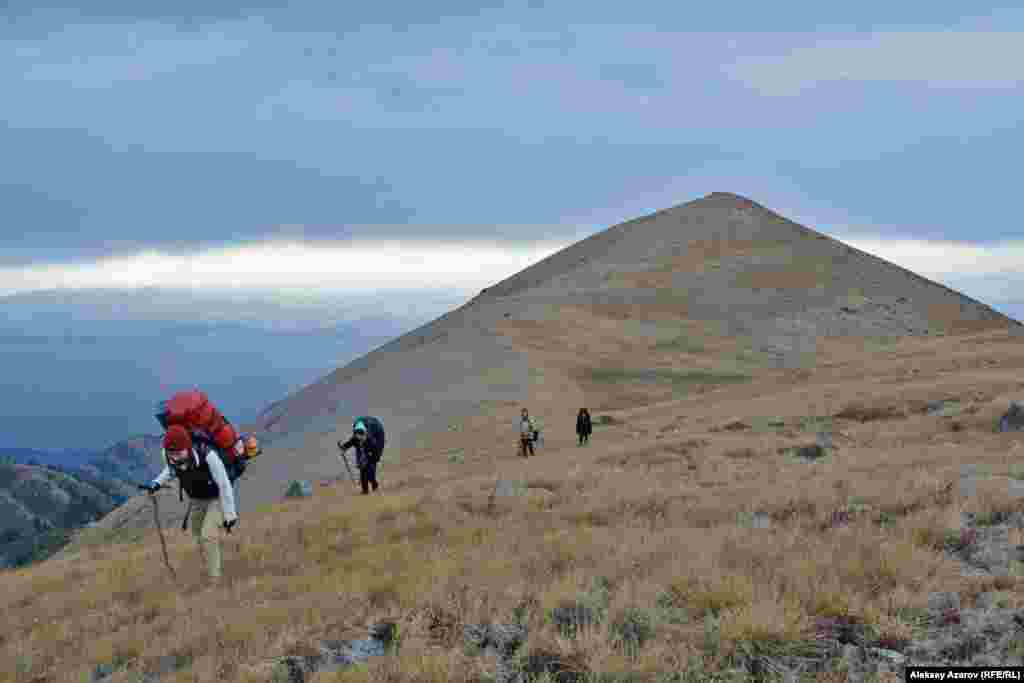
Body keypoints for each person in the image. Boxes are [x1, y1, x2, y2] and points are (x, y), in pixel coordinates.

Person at [140, 424, 238, 583]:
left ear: (188, 447)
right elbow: (171, 469)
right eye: (171, 453)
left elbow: (224, 483)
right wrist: (156, 483)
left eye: (178, 453)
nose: (175, 457)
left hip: (217, 499)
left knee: (208, 536)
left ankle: (215, 581)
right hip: (197, 499)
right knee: (198, 534)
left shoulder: (208, 455)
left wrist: (230, 515)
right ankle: (211, 565)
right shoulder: (168, 455)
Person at [338, 418, 384, 494]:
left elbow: (376, 453)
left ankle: (374, 484)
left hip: (372, 454)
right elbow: (349, 443)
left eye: (362, 437)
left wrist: (370, 459)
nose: (361, 439)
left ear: (365, 434)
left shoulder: (371, 440)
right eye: (358, 437)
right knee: (363, 472)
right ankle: (365, 490)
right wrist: (343, 448)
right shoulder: (355, 438)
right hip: (364, 455)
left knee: (370, 473)